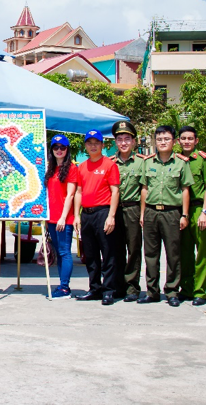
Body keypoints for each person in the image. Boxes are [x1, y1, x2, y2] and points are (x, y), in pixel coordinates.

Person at [140, 125, 192, 307]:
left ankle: (171, 291)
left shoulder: (181, 163)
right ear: (155, 141)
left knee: (173, 254)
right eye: (160, 139)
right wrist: (142, 213)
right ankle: (152, 292)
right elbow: (144, 189)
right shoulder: (148, 162)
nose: (163, 142)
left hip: (172, 213)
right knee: (151, 255)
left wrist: (184, 215)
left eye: (166, 139)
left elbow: (185, 189)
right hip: (151, 212)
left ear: (174, 141)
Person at [74, 130, 121, 305]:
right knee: (90, 254)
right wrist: (77, 215)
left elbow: (115, 191)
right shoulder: (82, 166)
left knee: (108, 253)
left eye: (96, 143)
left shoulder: (109, 165)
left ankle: (109, 290)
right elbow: (78, 192)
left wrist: (111, 216)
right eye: (89, 143)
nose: (93, 146)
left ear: (102, 145)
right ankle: (94, 288)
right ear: (85, 145)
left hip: (103, 212)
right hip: (86, 214)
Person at [177, 126, 206, 306]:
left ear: (196, 141)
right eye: (183, 138)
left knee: (202, 252)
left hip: (199, 209)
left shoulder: (204, 159)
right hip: (181, 211)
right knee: (184, 253)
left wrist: (205, 212)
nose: (186, 142)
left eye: (190, 138)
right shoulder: (176, 160)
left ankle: (200, 291)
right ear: (178, 141)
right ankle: (186, 288)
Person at [110, 121, 146, 302]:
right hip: (114, 211)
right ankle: (118, 286)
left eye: (127, 139)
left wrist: (142, 213)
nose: (123, 143)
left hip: (132, 208)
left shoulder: (141, 162)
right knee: (116, 250)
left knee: (133, 250)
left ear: (133, 142)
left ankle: (132, 287)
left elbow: (144, 189)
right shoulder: (110, 163)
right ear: (115, 142)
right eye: (119, 139)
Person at [45, 134, 78, 298]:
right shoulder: (50, 169)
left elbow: (71, 195)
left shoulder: (71, 168)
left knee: (65, 252)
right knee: (58, 253)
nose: (59, 150)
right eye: (56, 147)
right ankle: (61, 285)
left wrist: (63, 218)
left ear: (67, 150)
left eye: (62, 147)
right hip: (51, 219)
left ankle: (65, 288)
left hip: (63, 219)